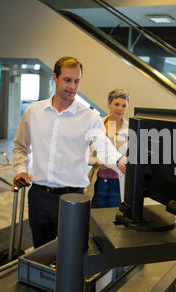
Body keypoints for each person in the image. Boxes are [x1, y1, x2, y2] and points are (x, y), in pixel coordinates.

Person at [12, 56, 125, 248]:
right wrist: (21, 170)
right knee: (41, 251)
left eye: (77, 81)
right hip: (39, 195)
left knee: (73, 253)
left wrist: (122, 163)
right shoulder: (34, 111)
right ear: (55, 78)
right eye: (67, 80)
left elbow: (105, 149)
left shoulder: (89, 117)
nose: (73, 86)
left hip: (73, 197)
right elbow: (20, 146)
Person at [86, 89, 129, 208]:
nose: (120, 109)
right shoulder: (97, 125)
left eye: (124, 105)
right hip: (99, 181)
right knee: (96, 217)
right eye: (116, 104)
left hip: (118, 183)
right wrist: (97, 162)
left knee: (113, 218)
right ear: (109, 104)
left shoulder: (131, 130)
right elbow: (85, 153)